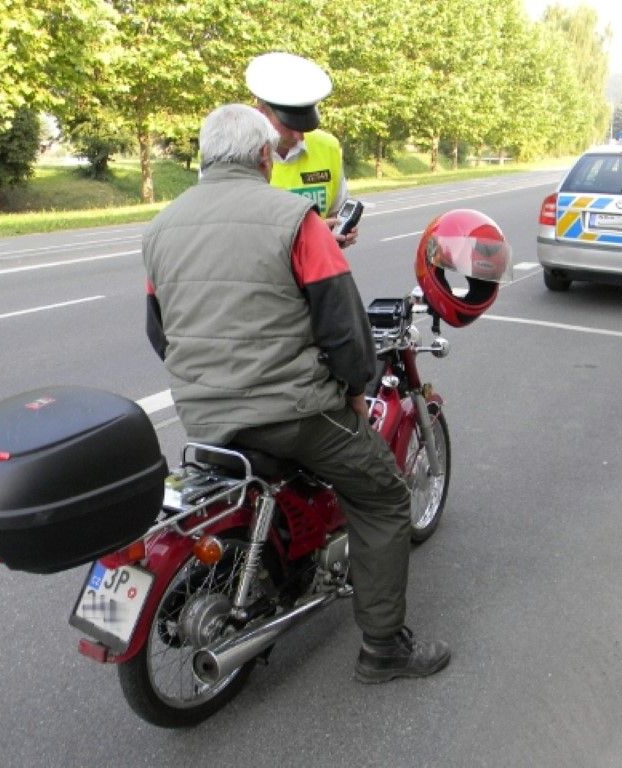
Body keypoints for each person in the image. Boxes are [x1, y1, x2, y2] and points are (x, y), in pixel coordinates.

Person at [142, 103, 450, 683]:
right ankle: (385, 648)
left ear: (204, 156)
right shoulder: (294, 219)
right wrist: (356, 390)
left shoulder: (159, 228)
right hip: (290, 411)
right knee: (382, 492)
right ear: (264, 156)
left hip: (205, 416)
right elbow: (343, 326)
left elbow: (160, 332)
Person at [245, 51, 358, 248]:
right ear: (261, 113)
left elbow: (336, 211)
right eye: (289, 126)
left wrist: (340, 232)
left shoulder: (327, 147)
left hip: (316, 275)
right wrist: (309, 239)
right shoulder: (234, 154)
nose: (300, 136)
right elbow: (233, 234)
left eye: (306, 126)